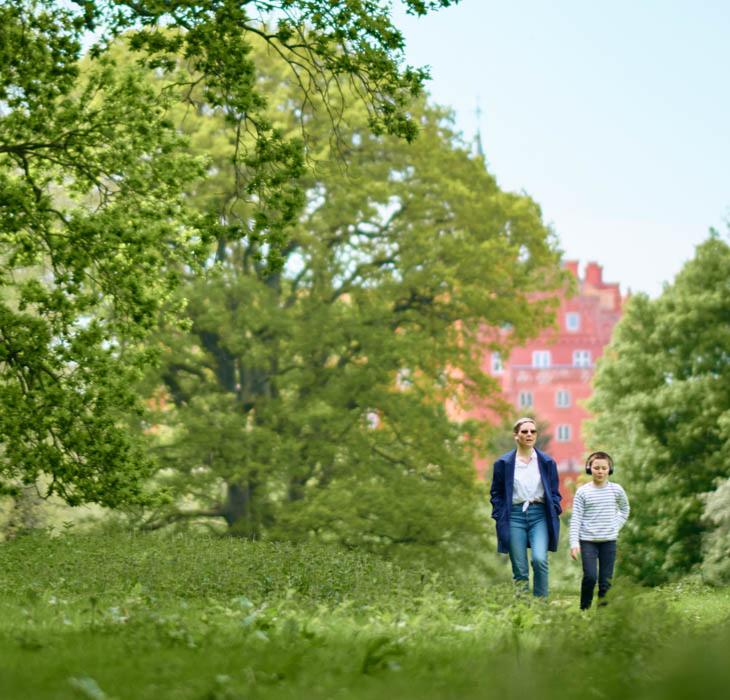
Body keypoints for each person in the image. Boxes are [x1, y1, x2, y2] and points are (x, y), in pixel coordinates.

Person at [490, 417, 562, 597]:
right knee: (520, 568)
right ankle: (522, 609)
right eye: (524, 431)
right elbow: (496, 493)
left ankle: (541, 608)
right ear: (516, 435)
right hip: (514, 516)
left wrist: (555, 508)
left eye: (533, 431)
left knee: (539, 559)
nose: (529, 434)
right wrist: (499, 514)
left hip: (540, 515)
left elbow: (554, 491)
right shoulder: (503, 463)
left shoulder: (547, 462)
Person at [569, 451, 630, 610]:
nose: (600, 471)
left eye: (604, 468)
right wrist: (574, 543)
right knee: (590, 577)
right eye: (596, 468)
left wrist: (615, 526)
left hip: (608, 542)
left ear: (609, 469)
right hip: (588, 541)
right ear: (590, 469)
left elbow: (624, 509)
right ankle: (584, 609)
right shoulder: (583, 492)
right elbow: (576, 518)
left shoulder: (616, 490)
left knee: (605, 581)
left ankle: (601, 615)